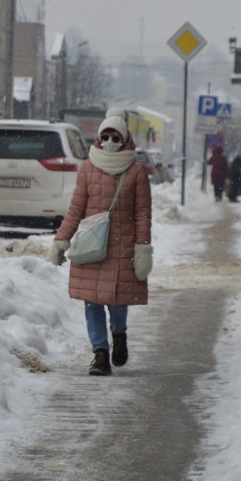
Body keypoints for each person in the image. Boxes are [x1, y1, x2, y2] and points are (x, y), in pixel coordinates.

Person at [47, 108, 153, 376]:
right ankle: (100, 354)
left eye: (115, 137)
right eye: (105, 136)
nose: (109, 142)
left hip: (122, 246)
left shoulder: (136, 171)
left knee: (116, 300)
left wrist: (142, 249)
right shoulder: (87, 168)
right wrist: (62, 240)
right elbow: (76, 209)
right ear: (98, 138)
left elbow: (143, 214)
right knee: (92, 301)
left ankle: (119, 335)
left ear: (125, 139)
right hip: (91, 246)